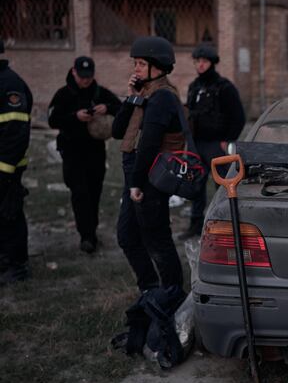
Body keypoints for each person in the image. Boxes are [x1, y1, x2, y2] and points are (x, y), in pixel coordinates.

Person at [111, 36, 185, 294]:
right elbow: (117, 131)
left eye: (141, 64)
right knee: (127, 236)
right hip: (136, 172)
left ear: (158, 67)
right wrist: (131, 97)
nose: (136, 69)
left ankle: (173, 294)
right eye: (135, 63)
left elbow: (150, 144)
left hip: (150, 176)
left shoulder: (163, 97)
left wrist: (136, 183)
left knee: (157, 238)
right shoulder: (144, 94)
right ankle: (150, 290)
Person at [47, 56, 122, 253]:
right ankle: (86, 236)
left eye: (89, 76)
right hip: (72, 151)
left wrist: (107, 108)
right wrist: (75, 117)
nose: (86, 80)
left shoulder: (100, 93)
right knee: (79, 192)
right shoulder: (63, 94)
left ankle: (91, 232)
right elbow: (52, 120)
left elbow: (122, 108)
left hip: (95, 151)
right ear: (73, 72)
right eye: (82, 76)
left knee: (94, 192)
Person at [180, 43, 245, 239]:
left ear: (212, 63)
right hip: (196, 144)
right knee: (195, 184)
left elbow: (239, 117)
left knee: (223, 187)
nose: (200, 65)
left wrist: (227, 140)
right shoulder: (194, 87)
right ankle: (195, 223)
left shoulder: (224, 87)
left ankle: (226, 223)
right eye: (197, 61)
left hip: (216, 145)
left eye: (204, 61)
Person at [0, 39, 33, 286]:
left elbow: (16, 132)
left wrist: (4, 169)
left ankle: (17, 266)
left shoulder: (9, 83)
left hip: (6, 167)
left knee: (9, 213)